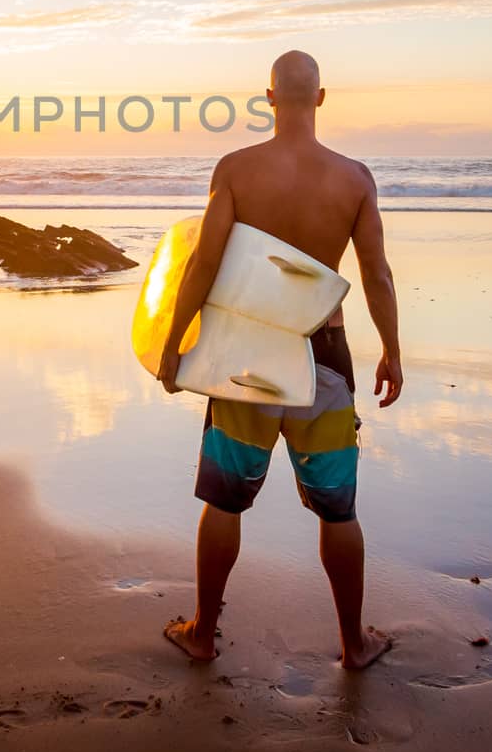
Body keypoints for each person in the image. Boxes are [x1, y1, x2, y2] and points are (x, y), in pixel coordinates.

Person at [156, 50, 403, 669]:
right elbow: (376, 274)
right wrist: (393, 351)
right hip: (326, 352)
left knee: (225, 500)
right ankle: (353, 644)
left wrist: (172, 341)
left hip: (247, 357)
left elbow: (203, 264)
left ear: (268, 97)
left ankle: (203, 633)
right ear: (320, 98)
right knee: (337, 508)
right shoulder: (354, 179)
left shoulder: (236, 170)